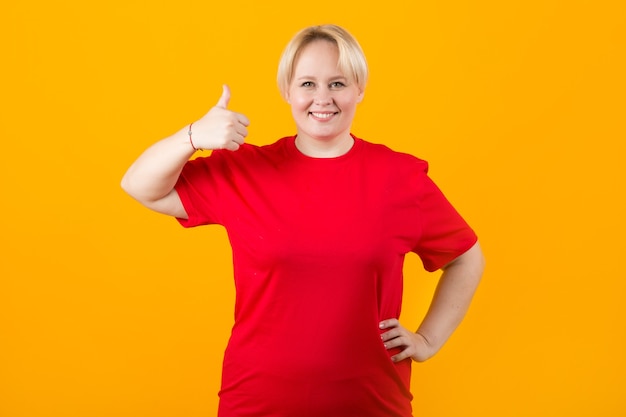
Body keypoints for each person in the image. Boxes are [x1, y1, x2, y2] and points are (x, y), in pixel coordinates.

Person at [122, 24, 484, 417]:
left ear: (359, 89)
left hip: (371, 403)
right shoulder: (246, 172)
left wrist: (428, 340)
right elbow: (140, 186)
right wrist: (190, 137)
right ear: (287, 92)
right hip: (257, 403)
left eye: (338, 83)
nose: (322, 98)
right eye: (308, 84)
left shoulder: (399, 179)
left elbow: (466, 256)